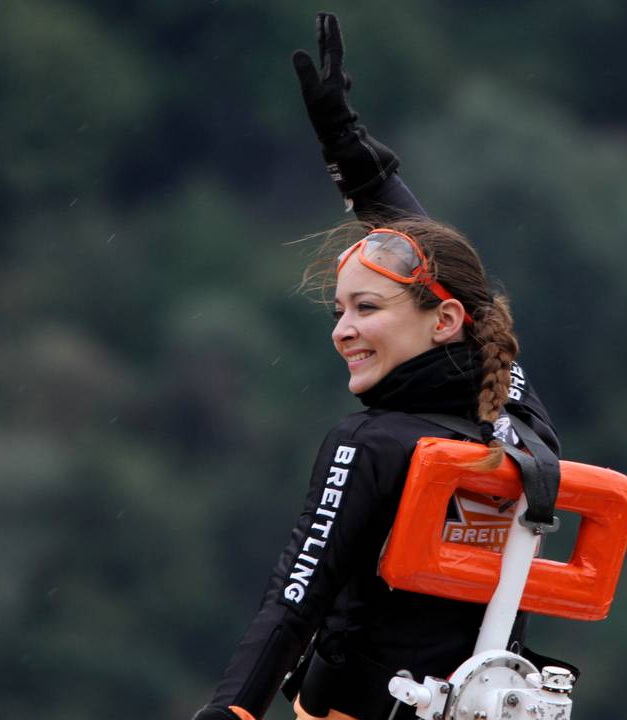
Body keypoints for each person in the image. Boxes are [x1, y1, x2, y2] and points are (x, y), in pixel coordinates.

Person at [192, 14, 561, 720]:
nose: (342, 331)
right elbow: (470, 301)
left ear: (441, 323)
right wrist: (354, 156)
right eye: (340, 311)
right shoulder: (524, 430)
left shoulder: (370, 446)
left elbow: (293, 601)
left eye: (366, 309)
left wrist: (229, 713)